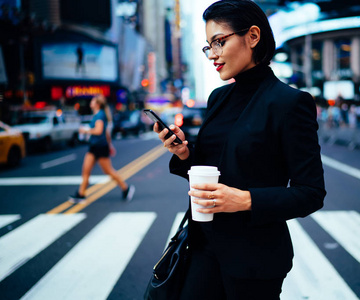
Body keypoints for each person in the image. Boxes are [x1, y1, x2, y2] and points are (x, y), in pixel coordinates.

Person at [154, 1, 326, 299]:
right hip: (202, 246)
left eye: (219, 42)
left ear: (253, 36)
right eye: (209, 46)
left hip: (254, 259)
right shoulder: (218, 97)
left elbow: (311, 192)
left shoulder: (290, 103)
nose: (213, 55)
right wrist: (184, 154)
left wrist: (244, 199)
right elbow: (214, 167)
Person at [69, 95, 135, 203]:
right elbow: (106, 133)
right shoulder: (98, 115)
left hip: (100, 147)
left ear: (97, 104)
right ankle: (81, 194)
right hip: (95, 146)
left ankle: (126, 188)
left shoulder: (99, 115)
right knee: (86, 171)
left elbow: (99, 131)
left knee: (108, 171)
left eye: (92, 101)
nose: (90, 103)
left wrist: (85, 130)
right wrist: (110, 145)